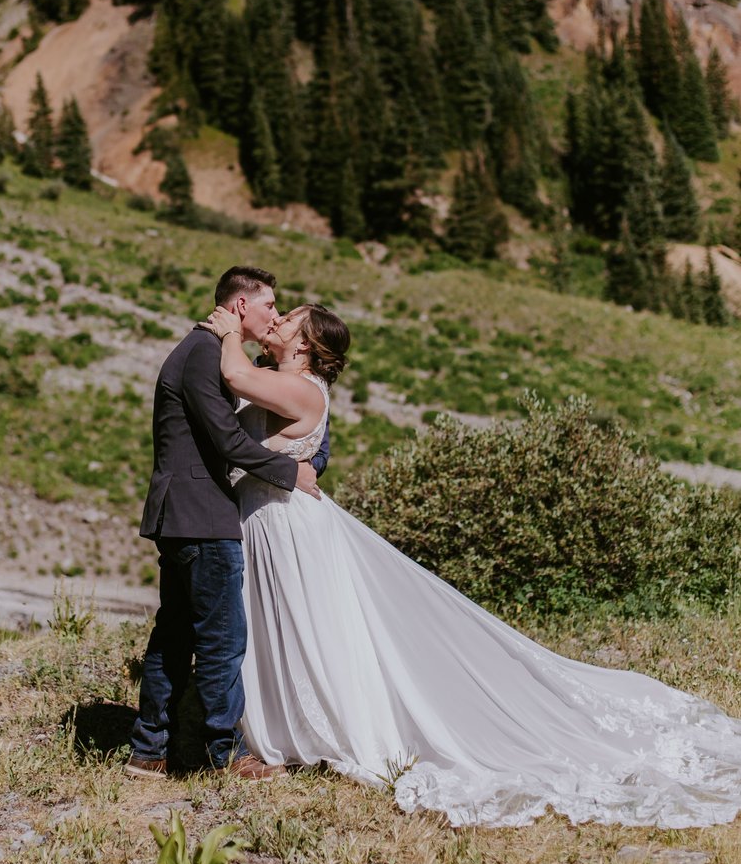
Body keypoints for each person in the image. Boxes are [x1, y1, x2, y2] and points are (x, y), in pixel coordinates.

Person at [205, 300, 741, 828]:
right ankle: (288, 722)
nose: (275, 320)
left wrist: (230, 325)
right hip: (267, 516)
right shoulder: (283, 377)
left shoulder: (299, 388)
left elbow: (233, 374)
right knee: (289, 626)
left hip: (288, 521)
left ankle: (324, 727)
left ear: (307, 343)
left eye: (289, 317)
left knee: (308, 627)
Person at [127, 266, 320, 780]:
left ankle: (149, 751)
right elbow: (228, 443)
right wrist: (291, 474)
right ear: (241, 307)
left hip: (187, 513)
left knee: (175, 633)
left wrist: (311, 456)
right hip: (201, 513)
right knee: (221, 638)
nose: (275, 315)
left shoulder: (212, 352)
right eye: (270, 306)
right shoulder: (204, 356)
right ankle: (226, 756)